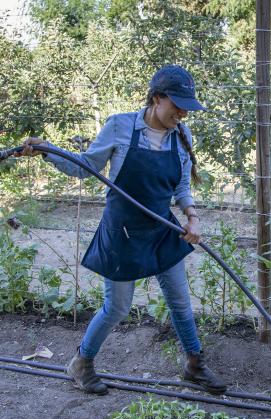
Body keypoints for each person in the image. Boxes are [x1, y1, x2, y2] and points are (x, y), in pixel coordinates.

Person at [15, 65, 228, 396]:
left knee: (181, 303)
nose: (183, 112)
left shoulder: (181, 136)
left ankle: (194, 366)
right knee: (117, 307)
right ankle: (81, 364)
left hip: (160, 228)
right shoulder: (120, 126)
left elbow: (182, 185)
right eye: (177, 104)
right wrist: (47, 150)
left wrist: (192, 217)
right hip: (123, 231)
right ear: (157, 98)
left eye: (187, 106)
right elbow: (83, 168)